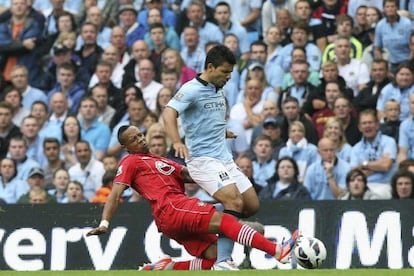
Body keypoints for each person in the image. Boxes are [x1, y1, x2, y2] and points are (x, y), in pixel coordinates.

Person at [86, 125, 299, 270]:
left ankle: (169, 267)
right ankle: (276, 250)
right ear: (125, 147)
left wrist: (215, 171)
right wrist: (105, 223)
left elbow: (189, 175)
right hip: (173, 207)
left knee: (213, 257)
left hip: (173, 218)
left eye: (140, 135)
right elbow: (115, 194)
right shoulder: (130, 162)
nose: (141, 139)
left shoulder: (161, 160)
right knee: (226, 219)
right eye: (134, 139)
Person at [163, 45, 261, 269]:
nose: (228, 77)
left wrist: (222, 131)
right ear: (210, 67)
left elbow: (206, 119)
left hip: (224, 158)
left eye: (230, 73)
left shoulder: (218, 87)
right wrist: (177, 141)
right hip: (202, 160)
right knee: (233, 201)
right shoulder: (190, 90)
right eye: (225, 72)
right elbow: (169, 112)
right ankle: (223, 261)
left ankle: (193, 218)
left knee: (250, 205)